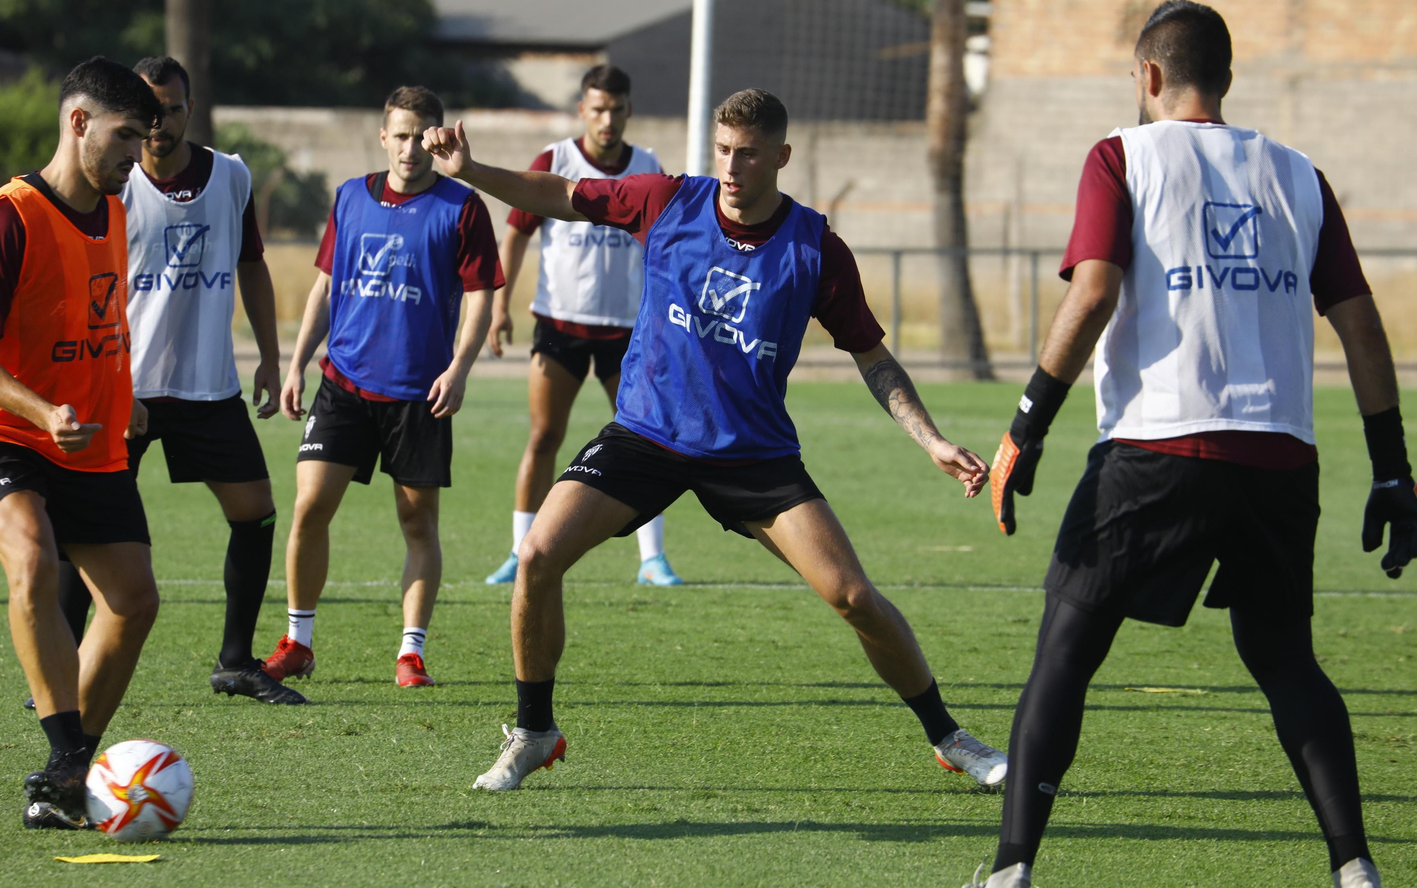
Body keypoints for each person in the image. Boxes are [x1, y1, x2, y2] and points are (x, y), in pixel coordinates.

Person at [422, 88, 1009, 793]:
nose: (731, 167)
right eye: (724, 150)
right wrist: (472, 170)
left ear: (781, 157)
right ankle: (534, 731)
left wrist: (931, 439)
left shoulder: (815, 247)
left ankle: (948, 736)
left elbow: (872, 355)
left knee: (852, 596)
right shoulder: (667, 199)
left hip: (753, 452)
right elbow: (562, 192)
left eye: (749, 153)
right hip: (646, 434)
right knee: (539, 554)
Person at [972, 0, 1417, 888]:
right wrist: (1393, 470)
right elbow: (1362, 326)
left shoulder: (1121, 154)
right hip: (1281, 459)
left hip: (1158, 448)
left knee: (1066, 649)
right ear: (1225, 76)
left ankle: (1011, 870)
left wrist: (1025, 426)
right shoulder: (1300, 174)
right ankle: (1356, 868)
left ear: (1148, 75)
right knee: (1285, 658)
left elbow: (1093, 294)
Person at [0, 57, 165, 829]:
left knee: (132, 601)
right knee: (31, 556)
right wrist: (42, 411)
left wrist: (122, 406)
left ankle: (65, 778)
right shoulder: (5, 219)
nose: (138, 153)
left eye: (145, 137)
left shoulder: (119, 213)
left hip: (85, 437)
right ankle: (66, 753)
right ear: (78, 123)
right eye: (126, 135)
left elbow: (102, 327)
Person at [36, 55, 301, 704]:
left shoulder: (231, 176)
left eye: (173, 109)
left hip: (208, 385)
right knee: (86, 520)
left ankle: (236, 664)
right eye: (148, 112)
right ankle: (62, 668)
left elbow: (251, 264)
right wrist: (105, 388)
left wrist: (270, 354)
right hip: (120, 389)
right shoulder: (111, 187)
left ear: (190, 109)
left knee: (256, 512)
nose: (160, 124)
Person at [262, 86, 501, 689]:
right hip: (343, 383)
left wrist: (461, 367)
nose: (410, 148)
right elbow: (323, 287)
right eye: (400, 135)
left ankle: (411, 652)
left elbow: (479, 297)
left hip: (419, 395)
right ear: (383, 136)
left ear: (439, 137)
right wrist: (297, 363)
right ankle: (298, 641)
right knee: (309, 508)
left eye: (422, 136)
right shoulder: (350, 197)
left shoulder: (462, 208)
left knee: (418, 524)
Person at [484, 64, 681, 588]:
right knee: (544, 436)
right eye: (598, 108)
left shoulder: (648, 165)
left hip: (627, 330)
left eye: (617, 109)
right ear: (582, 111)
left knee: (648, 441)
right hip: (560, 325)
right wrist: (501, 304)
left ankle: (652, 559)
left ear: (629, 110)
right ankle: (518, 549)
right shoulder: (556, 160)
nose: (608, 119)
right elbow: (517, 232)